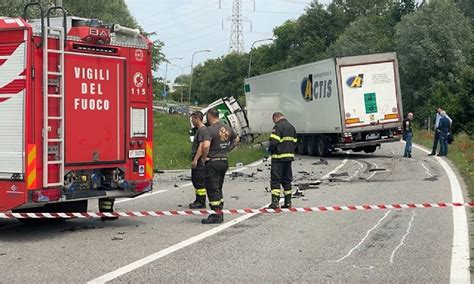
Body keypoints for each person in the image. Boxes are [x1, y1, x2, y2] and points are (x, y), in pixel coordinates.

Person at [200, 108, 239, 224]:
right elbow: (236, 140)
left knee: (212, 187)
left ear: (209, 116)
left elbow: (206, 146)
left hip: (213, 162)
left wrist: (204, 157)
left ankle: (216, 215)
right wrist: (227, 150)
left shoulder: (209, 130)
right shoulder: (227, 128)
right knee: (218, 186)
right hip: (223, 161)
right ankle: (219, 209)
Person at [268, 112, 297, 209]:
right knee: (287, 180)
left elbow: (274, 142)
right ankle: (288, 202)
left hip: (278, 158)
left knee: (275, 180)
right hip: (288, 158)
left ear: (275, 118)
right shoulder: (291, 127)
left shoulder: (277, 127)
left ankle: (275, 202)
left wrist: (269, 151)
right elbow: (295, 142)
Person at [189, 111, 208, 209]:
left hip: (199, 159)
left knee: (199, 180)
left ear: (197, 118)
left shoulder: (202, 130)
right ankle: (198, 199)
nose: (192, 121)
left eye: (193, 119)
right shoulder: (200, 130)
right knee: (195, 179)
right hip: (199, 159)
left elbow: (201, 146)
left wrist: (195, 159)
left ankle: (201, 201)